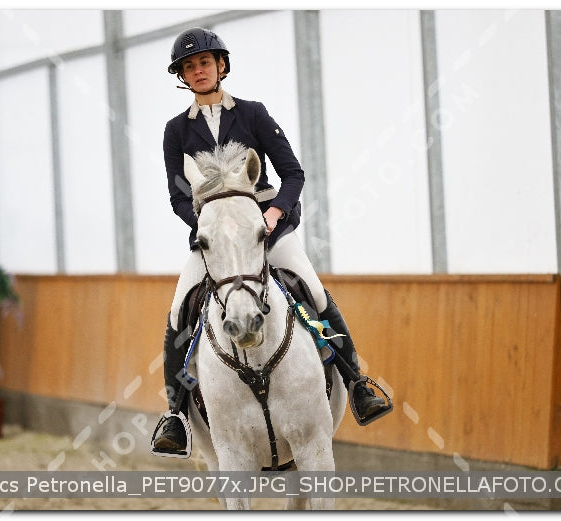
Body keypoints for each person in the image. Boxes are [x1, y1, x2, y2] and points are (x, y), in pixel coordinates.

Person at [152, 27, 392, 456]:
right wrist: (211, 225)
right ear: (182, 77)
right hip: (214, 241)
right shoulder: (175, 132)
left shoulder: (254, 114)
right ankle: (176, 415)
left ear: (220, 65)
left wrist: (273, 213)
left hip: (267, 229)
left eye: (204, 62)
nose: (198, 70)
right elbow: (176, 196)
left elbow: (293, 174)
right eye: (189, 67)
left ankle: (357, 383)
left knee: (313, 290)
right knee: (177, 310)